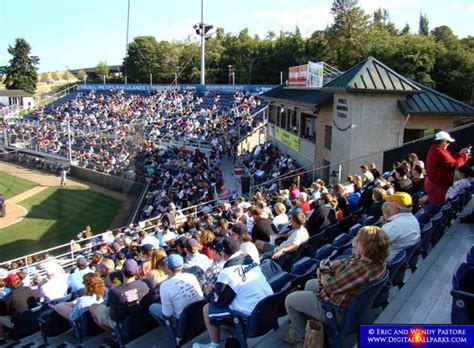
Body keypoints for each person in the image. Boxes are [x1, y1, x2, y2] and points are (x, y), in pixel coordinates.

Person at [284, 226, 389, 344]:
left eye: (359, 241)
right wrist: (337, 263)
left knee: (290, 300)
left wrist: (323, 272)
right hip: (351, 303)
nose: (356, 241)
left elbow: (329, 285)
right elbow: (352, 261)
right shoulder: (377, 261)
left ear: (366, 246)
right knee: (309, 284)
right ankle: (311, 322)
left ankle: (304, 339)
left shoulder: (361, 269)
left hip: (337, 310)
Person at [192, 237, 273, 348]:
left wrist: (208, 293)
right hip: (269, 307)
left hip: (251, 318)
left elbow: (219, 302)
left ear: (222, 253)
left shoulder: (227, 273)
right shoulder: (250, 260)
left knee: (206, 309)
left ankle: (214, 345)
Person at [90, 259, 151, 331]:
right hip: (143, 318)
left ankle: (115, 334)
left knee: (93, 307)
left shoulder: (114, 292)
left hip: (122, 322)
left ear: (122, 271)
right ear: (136, 271)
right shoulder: (146, 283)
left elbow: (108, 306)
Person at [149, 254, 203, 325]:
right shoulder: (191, 276)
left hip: (183, 323)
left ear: (168, 268)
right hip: (199, 316)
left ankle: (172, 333)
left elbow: (167, 313)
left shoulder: (164, 286)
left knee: (153, 307)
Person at [425, 131, 470, 213]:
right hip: (437, 185)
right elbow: (454, 164)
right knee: (436, 207)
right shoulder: (439, 151)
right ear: (443, 141)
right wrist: (464, 156)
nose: (448, 144)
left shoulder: (437, 149)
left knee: (435, 206)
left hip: (436, 184)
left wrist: (460, 154)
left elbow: (449, 160)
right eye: (447, 142)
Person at [381, 192, 420, 262]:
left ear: (395, 207)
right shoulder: (412, 218)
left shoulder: (394, 226)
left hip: (387, 262)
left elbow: (373, 245)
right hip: (405, 258)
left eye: (390, 203)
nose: (388, 206)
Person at [0, 273, 37, 340]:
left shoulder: (10, 297)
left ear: (9, 284)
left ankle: (1, 338)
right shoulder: (28, 289)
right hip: (35, 319)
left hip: (20, 323)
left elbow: (2, 312)